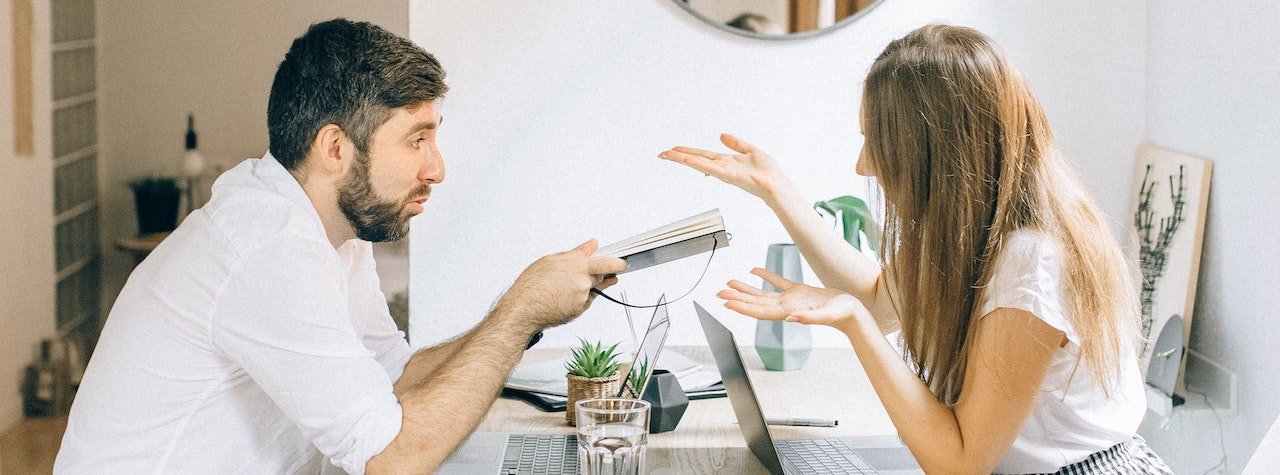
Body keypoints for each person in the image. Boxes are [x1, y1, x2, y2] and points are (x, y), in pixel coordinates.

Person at [55, 19, 627, 474]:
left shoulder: (331, 234)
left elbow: (392, 378)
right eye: (416, 139)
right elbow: (391, 459)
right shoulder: (269, 247)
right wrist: (520, 310)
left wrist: (525, 315)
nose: (437, 168)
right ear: (335, 148)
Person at [660, 24, 1172, 474]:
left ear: (935, 152)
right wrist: (777, 191)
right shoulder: (975, 232)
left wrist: (852, 323)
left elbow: (959, 463)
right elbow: (882, 299)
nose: (863, 166)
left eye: (877, 142)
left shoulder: (1031, 262)